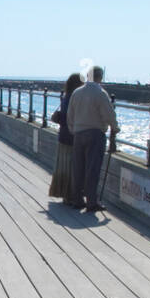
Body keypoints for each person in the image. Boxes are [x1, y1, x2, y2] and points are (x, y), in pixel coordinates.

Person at [66, 66, 119, 212]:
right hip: (95, 133)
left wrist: (73, 129)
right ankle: (91, 202)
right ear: (100, 77)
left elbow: (70, 115)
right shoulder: (100, 93)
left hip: (78, 133)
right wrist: (115, 127)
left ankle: (77, 199)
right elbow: (109, 114)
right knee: (92, 169)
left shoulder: (77, 92)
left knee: (78, 168)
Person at [48, 73, 82, 202]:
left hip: (63, 134)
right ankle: (70, 194)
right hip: (72, 135)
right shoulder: (74, 98)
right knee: (71, 166)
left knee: (63, 166)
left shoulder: (66, 97)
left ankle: (64, 192)